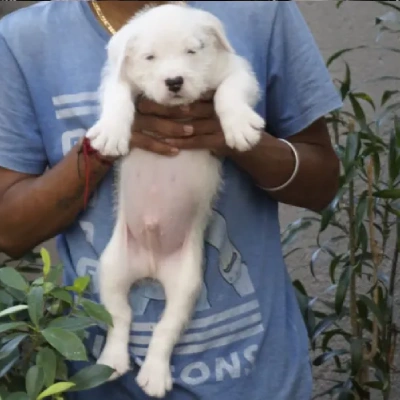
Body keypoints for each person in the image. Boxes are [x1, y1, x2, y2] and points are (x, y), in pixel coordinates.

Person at [0, 1, 342, 399]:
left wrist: (236, 134)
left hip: (258, 380)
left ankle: (158, 350)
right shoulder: (22, 39)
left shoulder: (260, 11)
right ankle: (118, 338)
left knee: (186, 281)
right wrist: (104, 146)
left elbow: (323, 183)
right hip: (99, 384)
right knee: (115, 277)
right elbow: (9, 231)